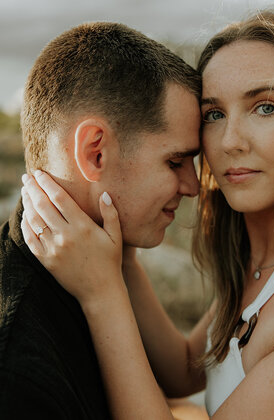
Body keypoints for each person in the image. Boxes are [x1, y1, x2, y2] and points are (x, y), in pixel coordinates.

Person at [21, 9, 274, 419]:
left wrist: (101, 295)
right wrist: (123, 255)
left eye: (265, 107)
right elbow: (186, 370)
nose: (230, 141)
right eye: (213, 114)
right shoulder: (263, 269)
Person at [0, 22, 202, 418]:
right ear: (95, 152)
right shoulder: (17, 372)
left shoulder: (97, 275)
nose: (193, 187)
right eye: (175, 161)